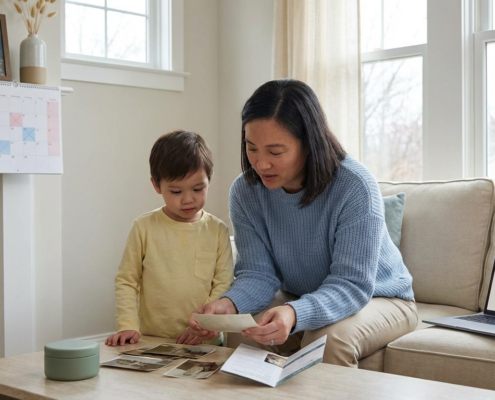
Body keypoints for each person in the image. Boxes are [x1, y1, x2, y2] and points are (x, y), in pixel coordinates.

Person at [188, 79, 418, 367]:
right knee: (244, 332)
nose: (261, 164)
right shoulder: (245, 191)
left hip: (381, 296)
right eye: (252, 148)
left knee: (326, 340)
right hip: (301, 294)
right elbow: (258, 274)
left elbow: (352, 285)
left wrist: (295, 313)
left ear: (309, 144)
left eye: (275, 152)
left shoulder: (355, 186)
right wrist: (228, 305)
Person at [105, 130, 234, 347]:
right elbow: (126, 281)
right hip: (152, 340)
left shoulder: (218, 230)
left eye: (197, 188)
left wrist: (204, 325)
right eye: (175, 191)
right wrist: (127, 325)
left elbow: (223, 285)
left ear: (209, 181)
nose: (187, 199)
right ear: (156, 185)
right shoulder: (143, 228)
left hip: (205, 341)